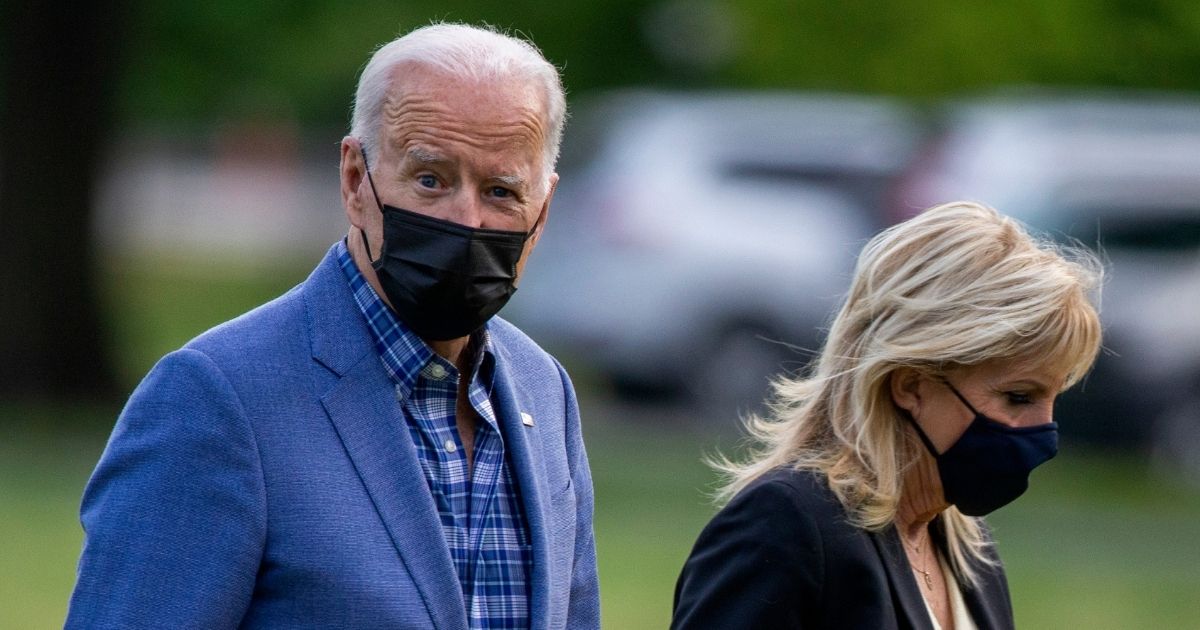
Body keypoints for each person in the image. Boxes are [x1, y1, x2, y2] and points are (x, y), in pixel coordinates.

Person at [67, 23, 599, 629]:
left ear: (544, 209)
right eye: (431, 179)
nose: (466, 220)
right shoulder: (216, 397)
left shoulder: (542, 391)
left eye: (502, 190)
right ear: (354, 179)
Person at [672, 202, 1103, 630]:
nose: (1045, 430)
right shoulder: (787, 523)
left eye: (1054, 396)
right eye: (1017, 396)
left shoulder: (967, 544)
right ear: (910, 384)